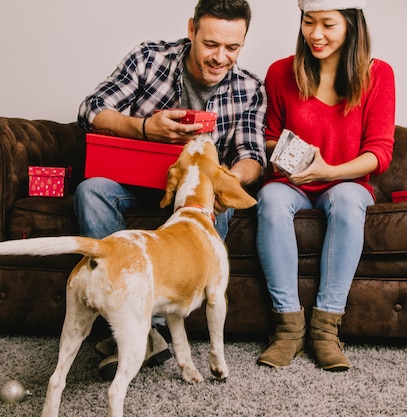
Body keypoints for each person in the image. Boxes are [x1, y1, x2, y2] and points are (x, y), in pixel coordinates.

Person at [75, 0, 267, 380]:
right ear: (192, 29)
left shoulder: (249, 87)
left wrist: (225, 179)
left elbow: (253, 156)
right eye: (211, 43)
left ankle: (151, 330)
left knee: (220, 207)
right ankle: (135, 321)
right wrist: (146, 128)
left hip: (197, 201)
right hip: (137, 185)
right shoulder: (150, 58)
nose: (220, 57)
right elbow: (90, 109)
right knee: (90, 190)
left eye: (233, 48)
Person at [256, 0, 395, 372]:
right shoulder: (280, 72)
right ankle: (287, 329)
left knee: (350, 200)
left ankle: (325, 331)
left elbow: (379, 153)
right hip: (294, 180)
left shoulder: (378, 74)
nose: (315, 34)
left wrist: (329, 171)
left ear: (352, 25)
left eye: (328, 25)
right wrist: (295, 156)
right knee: (269, 197)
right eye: (308, 22)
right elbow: (268, 138)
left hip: (344, 180)